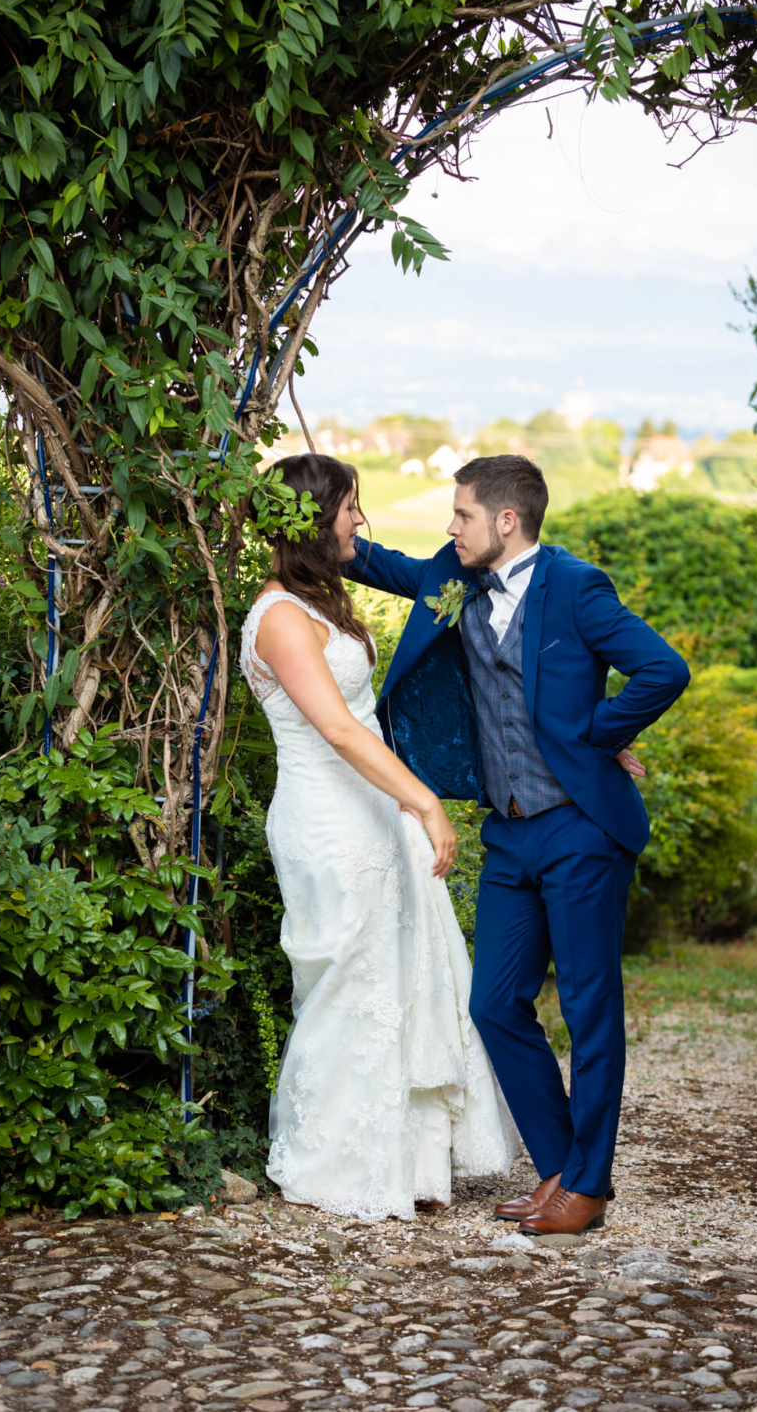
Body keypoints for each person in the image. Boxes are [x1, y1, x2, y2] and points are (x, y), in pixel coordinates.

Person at [346, 454, 690, 1236]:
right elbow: (381, 564)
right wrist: (306, 513)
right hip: (509, 833)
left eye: (461, 514)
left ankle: (588, 1185)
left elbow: (663, 670)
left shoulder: (577, 588)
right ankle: (562, 1168)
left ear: (507, 521)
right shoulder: (456, 579)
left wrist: (597, 738)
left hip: (581, 830)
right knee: (495, 1002)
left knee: (588, 1007)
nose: (449, 527)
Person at [239, 452, 519, 1222]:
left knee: (399, 979)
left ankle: (408, 1161)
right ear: (312, 519)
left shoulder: (321, 603)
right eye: (350, 507)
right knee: (347, 984)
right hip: (327, 822)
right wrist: (425, 802)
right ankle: (335, 1162)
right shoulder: (280, 618)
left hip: (374, 811)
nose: (361, 521)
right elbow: (333, 727)